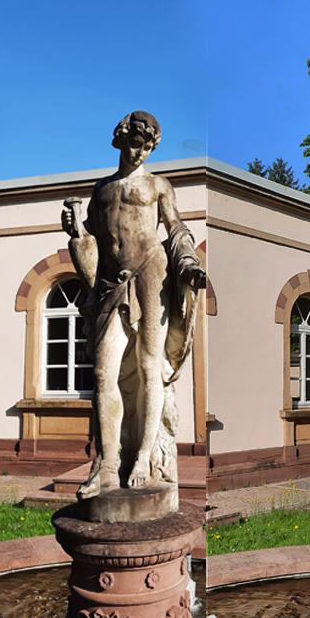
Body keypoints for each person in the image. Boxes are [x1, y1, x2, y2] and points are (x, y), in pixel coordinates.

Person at [62, 111, 206, 500]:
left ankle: (144, 457)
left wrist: (188, 261)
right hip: (112, 282)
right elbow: (92, 239)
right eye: (135, 144)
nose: (140, 152)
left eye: (147, 147)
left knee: (148, 367)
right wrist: (75, 230)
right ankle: (109, 463)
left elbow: (175, 227)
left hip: (151, 273)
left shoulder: (158, 185)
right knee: (103, 373)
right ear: (121, 140)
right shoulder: (102, 189)